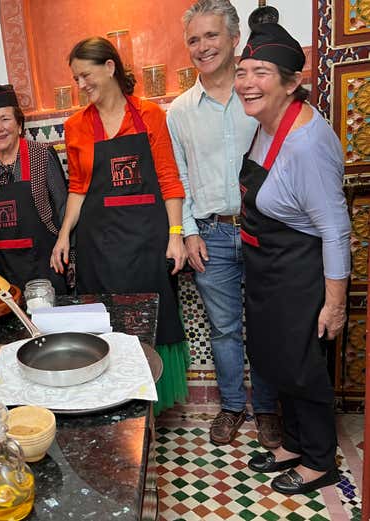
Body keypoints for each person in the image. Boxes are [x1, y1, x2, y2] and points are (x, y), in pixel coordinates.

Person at [236, 20, 349, 494]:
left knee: (303, 367)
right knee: (278, 361)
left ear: (291, 82)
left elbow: (335, 229)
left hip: (300, 272)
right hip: (267, 270)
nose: (246, 83)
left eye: (261, 72)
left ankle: (320, 460)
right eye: (242, 72)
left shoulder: (306, 142)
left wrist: (334, 303)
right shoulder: (266, 124)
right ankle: (295, 443)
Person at [50, 37, 189, 414]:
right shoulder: (76, 126)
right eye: (76, 78)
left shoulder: (149, 115)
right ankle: (119, 400)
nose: (81, 85)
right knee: (107, 320)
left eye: (86, 75)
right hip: (98, 241)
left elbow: (168, 179)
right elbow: (77, 188)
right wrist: (64, 237)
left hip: (147, 238)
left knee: (153, 316)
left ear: (110, 67)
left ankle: (152, 403)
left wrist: (175, 236)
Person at [167, 0, 281, 448]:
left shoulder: (259, 92)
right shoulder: (179, 111)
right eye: (194, 40)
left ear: (235, 38)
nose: (202, 46)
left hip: (263, 229)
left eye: (211, 36)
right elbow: (177, 176)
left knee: (267, 323)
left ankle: (269, 410)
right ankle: (233, 407)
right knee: (225, 329)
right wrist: (189, 230)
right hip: (210, 234)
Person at [0, 80, 68, 293]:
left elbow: (63, 208)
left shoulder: (41, 155)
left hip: (47, 263)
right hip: (1, 271)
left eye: (5, 119)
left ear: (19, 124)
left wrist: (68, 251)